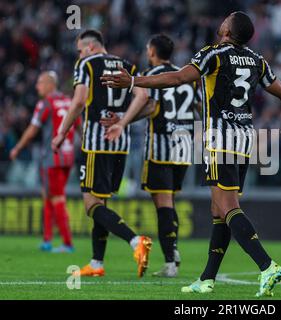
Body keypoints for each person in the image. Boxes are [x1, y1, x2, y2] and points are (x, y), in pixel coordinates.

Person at [101, 11, 281, 297]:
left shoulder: (214, 53)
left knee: (226, 206)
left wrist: (134, 82)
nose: (221, 21)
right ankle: (207, 278)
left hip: (221, 138)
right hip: (245, 138)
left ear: (227, 29)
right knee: (218, 210)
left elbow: (177, 78)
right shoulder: (256, 59)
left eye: (226, 19)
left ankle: (267, 265)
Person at [51, 29, 152, 277]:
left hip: (96, 142)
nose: (78, 53)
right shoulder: (127, 65)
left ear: (89, 47)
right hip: (120, 142)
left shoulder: (86, 63)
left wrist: (62, 132)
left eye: (79, 49)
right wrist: (123, 122)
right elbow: (145, 96)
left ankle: (135, 241)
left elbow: (78, 101)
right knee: (102, 201)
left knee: (90, 204)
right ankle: (97, 263)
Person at [101, 34, 200, 277]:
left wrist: (122, 121)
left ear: (153, 52)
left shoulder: (152, 75)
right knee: (171, 200)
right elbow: (198, 107)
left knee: (163, 203)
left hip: (162, 145)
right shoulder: (187, 75)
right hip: (184, 146)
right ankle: (173, 251)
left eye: (148, 49)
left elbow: (151, 105)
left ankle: (170, 261)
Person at [10, 71, 78, 253]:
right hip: (68, 157)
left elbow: (33, 129)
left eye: (40, 83)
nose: (37, 86)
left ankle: (67, 243)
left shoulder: (46, 103)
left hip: (52, 157)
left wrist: (17, 147)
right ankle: (47, 239)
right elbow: (79, 126)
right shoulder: (68, 101)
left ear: (50, 84)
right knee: (48, 195)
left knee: (56, 198)